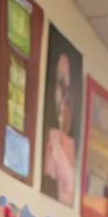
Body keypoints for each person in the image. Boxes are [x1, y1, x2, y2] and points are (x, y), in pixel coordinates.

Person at [43, 51, 77, 206]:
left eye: (66, 83)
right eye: (60, 81)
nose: (63, 90)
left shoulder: (68, 145)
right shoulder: (52, 139)